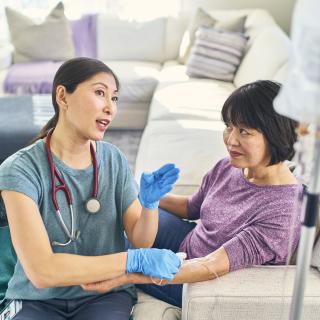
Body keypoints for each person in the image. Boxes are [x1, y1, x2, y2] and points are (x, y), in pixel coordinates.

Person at [81, 80, 304, 308]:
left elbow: (211, 265)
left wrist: (129, 274)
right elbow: (192, 206)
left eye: (244, 131)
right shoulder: (231, 166)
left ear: (276, 135)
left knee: (104, 251)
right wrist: (147, 197)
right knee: (123, 212)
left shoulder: (283, 212)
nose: (230, 140)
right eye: (229, 126)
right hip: (187, 242)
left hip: (196, 279)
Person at [0, 57, 181, 319]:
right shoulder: (20, 169)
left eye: (115, 98)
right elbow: (42, 271)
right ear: (63, 96)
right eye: (100, 93)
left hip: (105, 295)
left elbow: (141, 239)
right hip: (35, 299)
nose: (110, 108)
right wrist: (132, 260)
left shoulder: (114, 159)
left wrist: (149, 206)